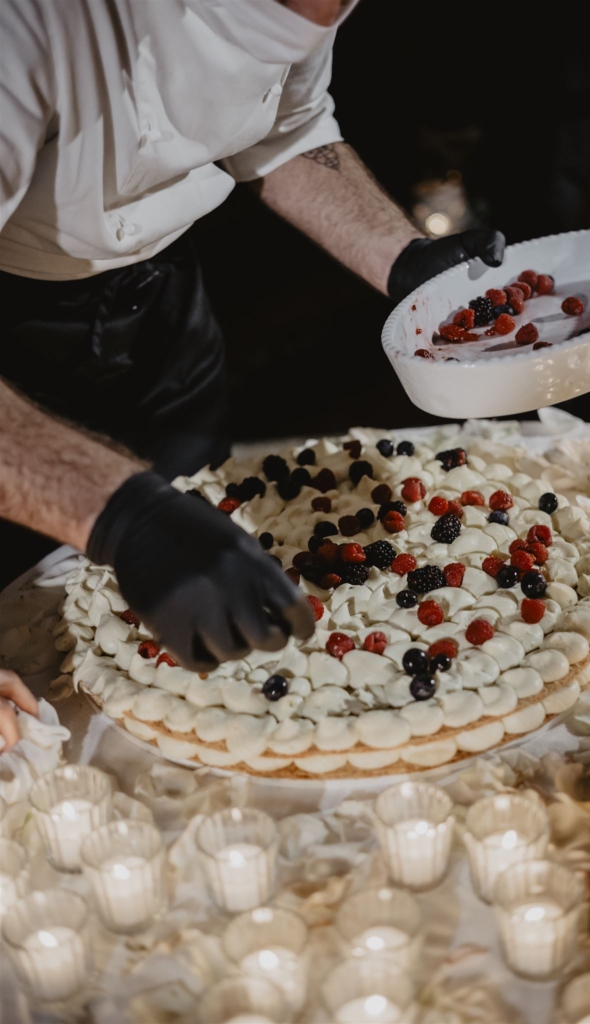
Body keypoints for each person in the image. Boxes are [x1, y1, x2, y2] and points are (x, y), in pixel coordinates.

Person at [0, 0, 505, 675]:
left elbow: (286, 129)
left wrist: (401, 257)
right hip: (16, 326)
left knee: (208, 590)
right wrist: (121, 516)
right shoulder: (26, 29)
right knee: (30, 633)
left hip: (165, 299)